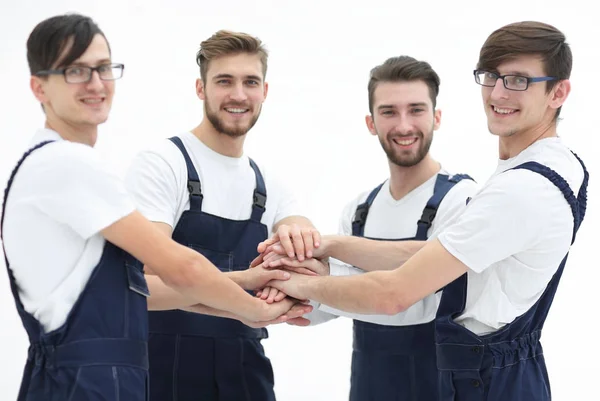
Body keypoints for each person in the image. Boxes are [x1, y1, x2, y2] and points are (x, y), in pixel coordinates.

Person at [258, 21, 588, 401]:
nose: (498, 92)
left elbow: (399, 293)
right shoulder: (552, 169)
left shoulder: (514, 190)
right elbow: (422, 256)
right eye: (491, 77)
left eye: (518, 80)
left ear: (558, 92)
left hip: (480, 376)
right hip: (441, 375)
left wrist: (292, 282)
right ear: (371, 122)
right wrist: (324, 251)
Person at [1, 14, 311, 401]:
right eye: (75, 71)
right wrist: (257, 309)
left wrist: (249, 284)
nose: (96, 84)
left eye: (103, 69)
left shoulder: (51, 163)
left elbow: (134, 290)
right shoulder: (68, 164)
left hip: (96, 375)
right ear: (39, 87)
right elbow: (182, 269)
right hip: (90, 379)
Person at [260, 55, 478, 401]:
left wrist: (319, 281)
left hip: (441, 388)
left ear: (437, 117)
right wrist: (286, 290)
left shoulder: (462, 199)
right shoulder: (360, 210)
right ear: (371, 122)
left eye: (416, 110)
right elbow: (334, 301)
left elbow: (422, 301)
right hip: (369, 387)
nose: (404, 125)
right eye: (389, 112)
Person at [125, 29, 318, 401]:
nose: (239, 95)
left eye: (250, 82)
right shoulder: (164, 164)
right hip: (162, 369)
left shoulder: (270, 185)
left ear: (265, 91)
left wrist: (300, 235)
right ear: (201, 89)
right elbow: (140, 280)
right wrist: (244, 294)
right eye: (224, 81)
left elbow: (305, 245)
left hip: (246, 371)